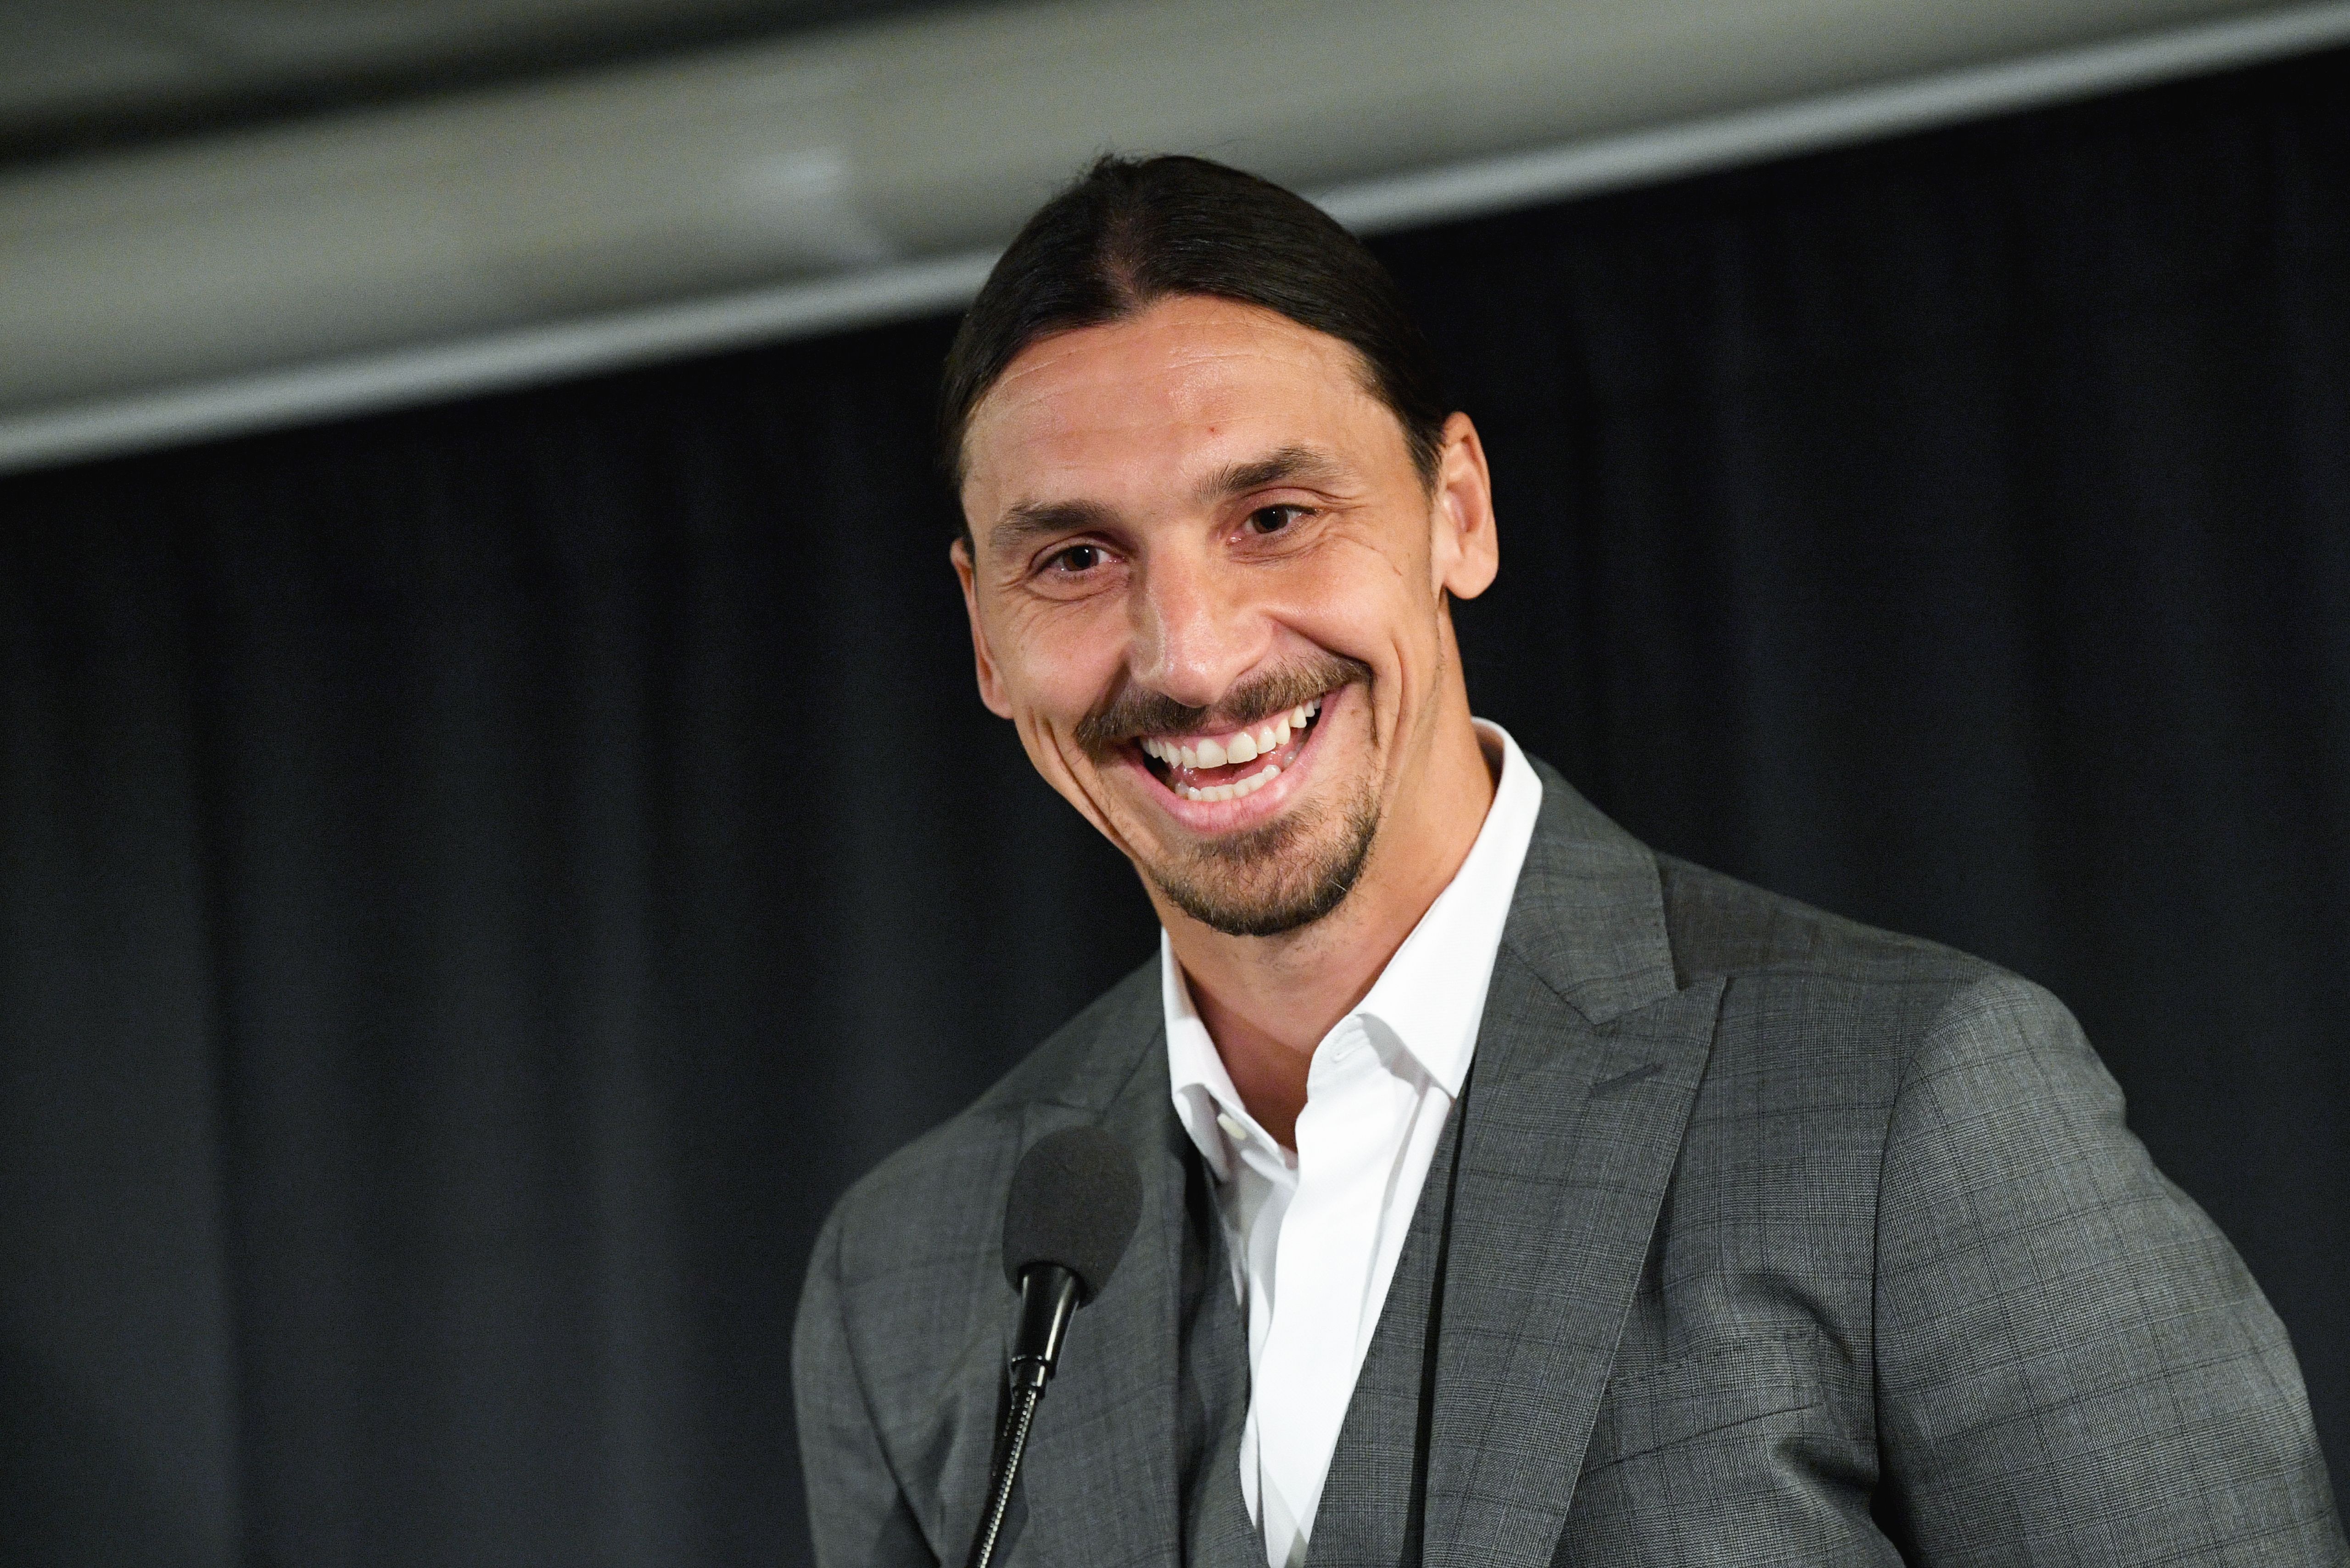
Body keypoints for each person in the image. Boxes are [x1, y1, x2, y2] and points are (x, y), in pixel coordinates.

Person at [792, 154, 2344, 1568]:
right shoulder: (907, 1277)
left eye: (1274, 515)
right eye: (1076, 559)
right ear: (983, 630)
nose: (1191, 657)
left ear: (1456, 512)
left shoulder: (1914, 1103)